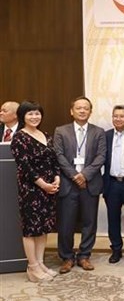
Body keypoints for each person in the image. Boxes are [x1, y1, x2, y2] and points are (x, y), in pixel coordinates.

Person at [54, 96, 106, 274]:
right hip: (68, 183)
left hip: (90, 183)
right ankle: (67, 257)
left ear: (90, 112)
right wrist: (74, 175)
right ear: (72, 111)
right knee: (66, 223)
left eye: (86, 108)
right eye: (79, 108)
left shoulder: (98, 132)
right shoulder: (61, 131)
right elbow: (59, 156)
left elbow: (101, 157)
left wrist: (84, 175)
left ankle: (84, 256)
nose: (82, 111)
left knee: (89, 222)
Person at [10, 101, 61, 282]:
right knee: (31, 229)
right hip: (30, 189)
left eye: (37, 113)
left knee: (43, 227)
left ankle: (40, 263)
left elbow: (53, 160)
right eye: (30, 114)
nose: (34, 117)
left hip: (49, 188)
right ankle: (32, 267)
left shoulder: (45, 134)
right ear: (22, 116)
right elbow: (25, 167)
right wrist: (43, 184)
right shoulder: (19, 138)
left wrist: (56, 178)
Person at [103, 105, 124, 263]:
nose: (118, 119)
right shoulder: (106, 136)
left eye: (122, 116)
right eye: (115, 116)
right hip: (112, 183)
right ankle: (116, 249)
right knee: (113, 218)